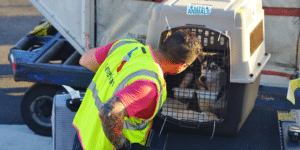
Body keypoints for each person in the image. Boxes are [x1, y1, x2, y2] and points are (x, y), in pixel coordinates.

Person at [72, 29, 203, 150]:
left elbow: (85, 60)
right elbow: (108, 113)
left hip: (84, 134)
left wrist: (113, 75)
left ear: (164, 42)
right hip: (103, 146)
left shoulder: (126, 45)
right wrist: (124, 146)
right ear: (182, 66)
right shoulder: (148, 85)